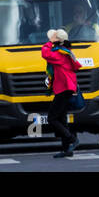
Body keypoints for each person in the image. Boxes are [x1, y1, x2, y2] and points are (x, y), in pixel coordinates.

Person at [40, 28, 81, 158]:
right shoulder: (66, 51)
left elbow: (45, 54)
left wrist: (49, 42)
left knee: (52, 118)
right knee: (62, 119)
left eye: (54, 38)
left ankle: (72, 139)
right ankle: (66, 149)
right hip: (66, 87)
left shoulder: (60, 53)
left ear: (58, 41)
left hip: (63, 88)